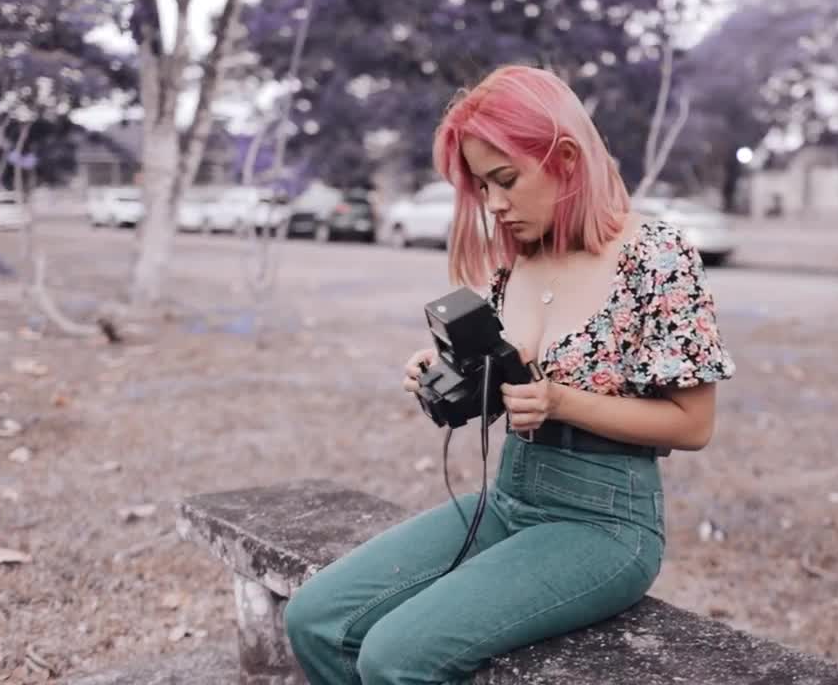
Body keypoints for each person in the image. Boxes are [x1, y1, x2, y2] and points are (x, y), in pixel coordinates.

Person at [284, 64, 736, 685]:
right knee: (314, 619)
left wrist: (561, 402)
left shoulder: (655, 257)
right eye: (481, 187)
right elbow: (508, 388)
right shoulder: (517, 260)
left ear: (566, 158)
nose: (494, 205)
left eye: (506, 180)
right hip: (509, 498)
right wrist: (448, 375)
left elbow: (693, 425)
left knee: (394, 657)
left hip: (604, 523)